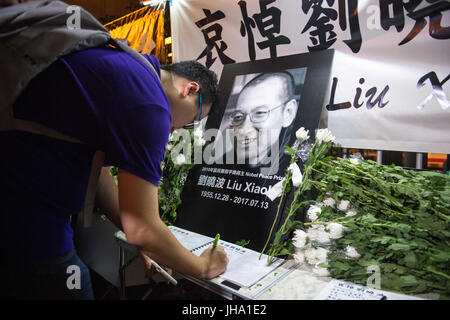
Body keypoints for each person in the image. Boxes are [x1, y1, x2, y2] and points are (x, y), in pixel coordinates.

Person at [0, 44, 229, 299]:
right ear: (190, 89)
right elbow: (142, 227)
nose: (179, 128)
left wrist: (147, 240)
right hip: (24, 210)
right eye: (193, 120)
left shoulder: (130, 68)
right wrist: (203, 266)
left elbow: (99, 174)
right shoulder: (151, 105)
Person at [217, 71, 299, 174]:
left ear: (288, 112)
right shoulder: (222, 165)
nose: (243, 130)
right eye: (239, 116)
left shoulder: (298, 167)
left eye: (259, 113)